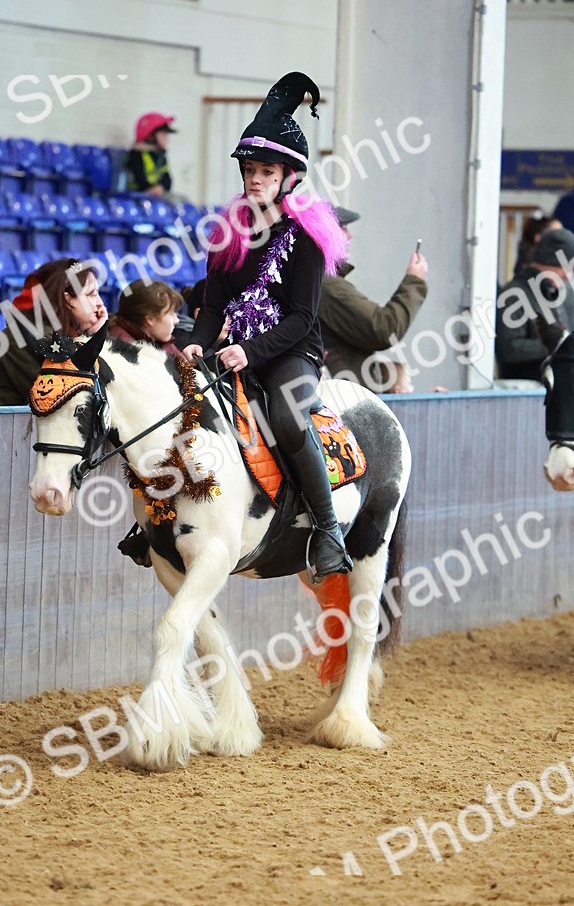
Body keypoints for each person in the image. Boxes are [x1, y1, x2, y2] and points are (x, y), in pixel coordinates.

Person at [183, 70, 353, 582]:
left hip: (291, 352)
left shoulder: (306, 236)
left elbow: (302, 318)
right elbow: (213, 306)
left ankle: (328, 529)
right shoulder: (228, 233)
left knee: (286, 417)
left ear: (288, 177)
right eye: (250, 170)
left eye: (266, 171)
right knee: (179, 408)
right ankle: (166, 520)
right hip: (233, 346)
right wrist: (194, 345)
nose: (254, 179)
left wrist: (250, 354)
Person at [0, 258, 107, 406]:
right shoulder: (24, 339)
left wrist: (99, 336)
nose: (100, 303)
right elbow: (65, 396)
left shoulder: (63, 335)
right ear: (68, 299)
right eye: (91, 294)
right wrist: (98, 338)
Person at [318, 206, 427, 391]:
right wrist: (414, 281)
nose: (349, 236)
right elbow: (385, 329)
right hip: (344, 406)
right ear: (325, 236)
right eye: (342, 228)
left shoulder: (321, 283)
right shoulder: (326, 286)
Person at [495, 226, 574, 381]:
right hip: (523, 393)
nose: (569, 276)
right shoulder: (514, 296)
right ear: (551, 262)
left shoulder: (549, 294)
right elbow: (507, 348)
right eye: (567, 268)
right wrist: (556, 343)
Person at [109, 279, 183, 358]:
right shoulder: (124, 350)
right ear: (150, 319)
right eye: (171, 313)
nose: (176, 320)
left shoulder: (158, 341)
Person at [125, 113, 176, 196]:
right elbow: (139, 177)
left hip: (154, 196)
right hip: (137, 197)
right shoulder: (136, 154)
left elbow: (168, 180)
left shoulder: (160, 155)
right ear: (150, 136)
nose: (167, 139)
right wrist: (151, 188)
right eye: (163, 135)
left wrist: (161, 187)